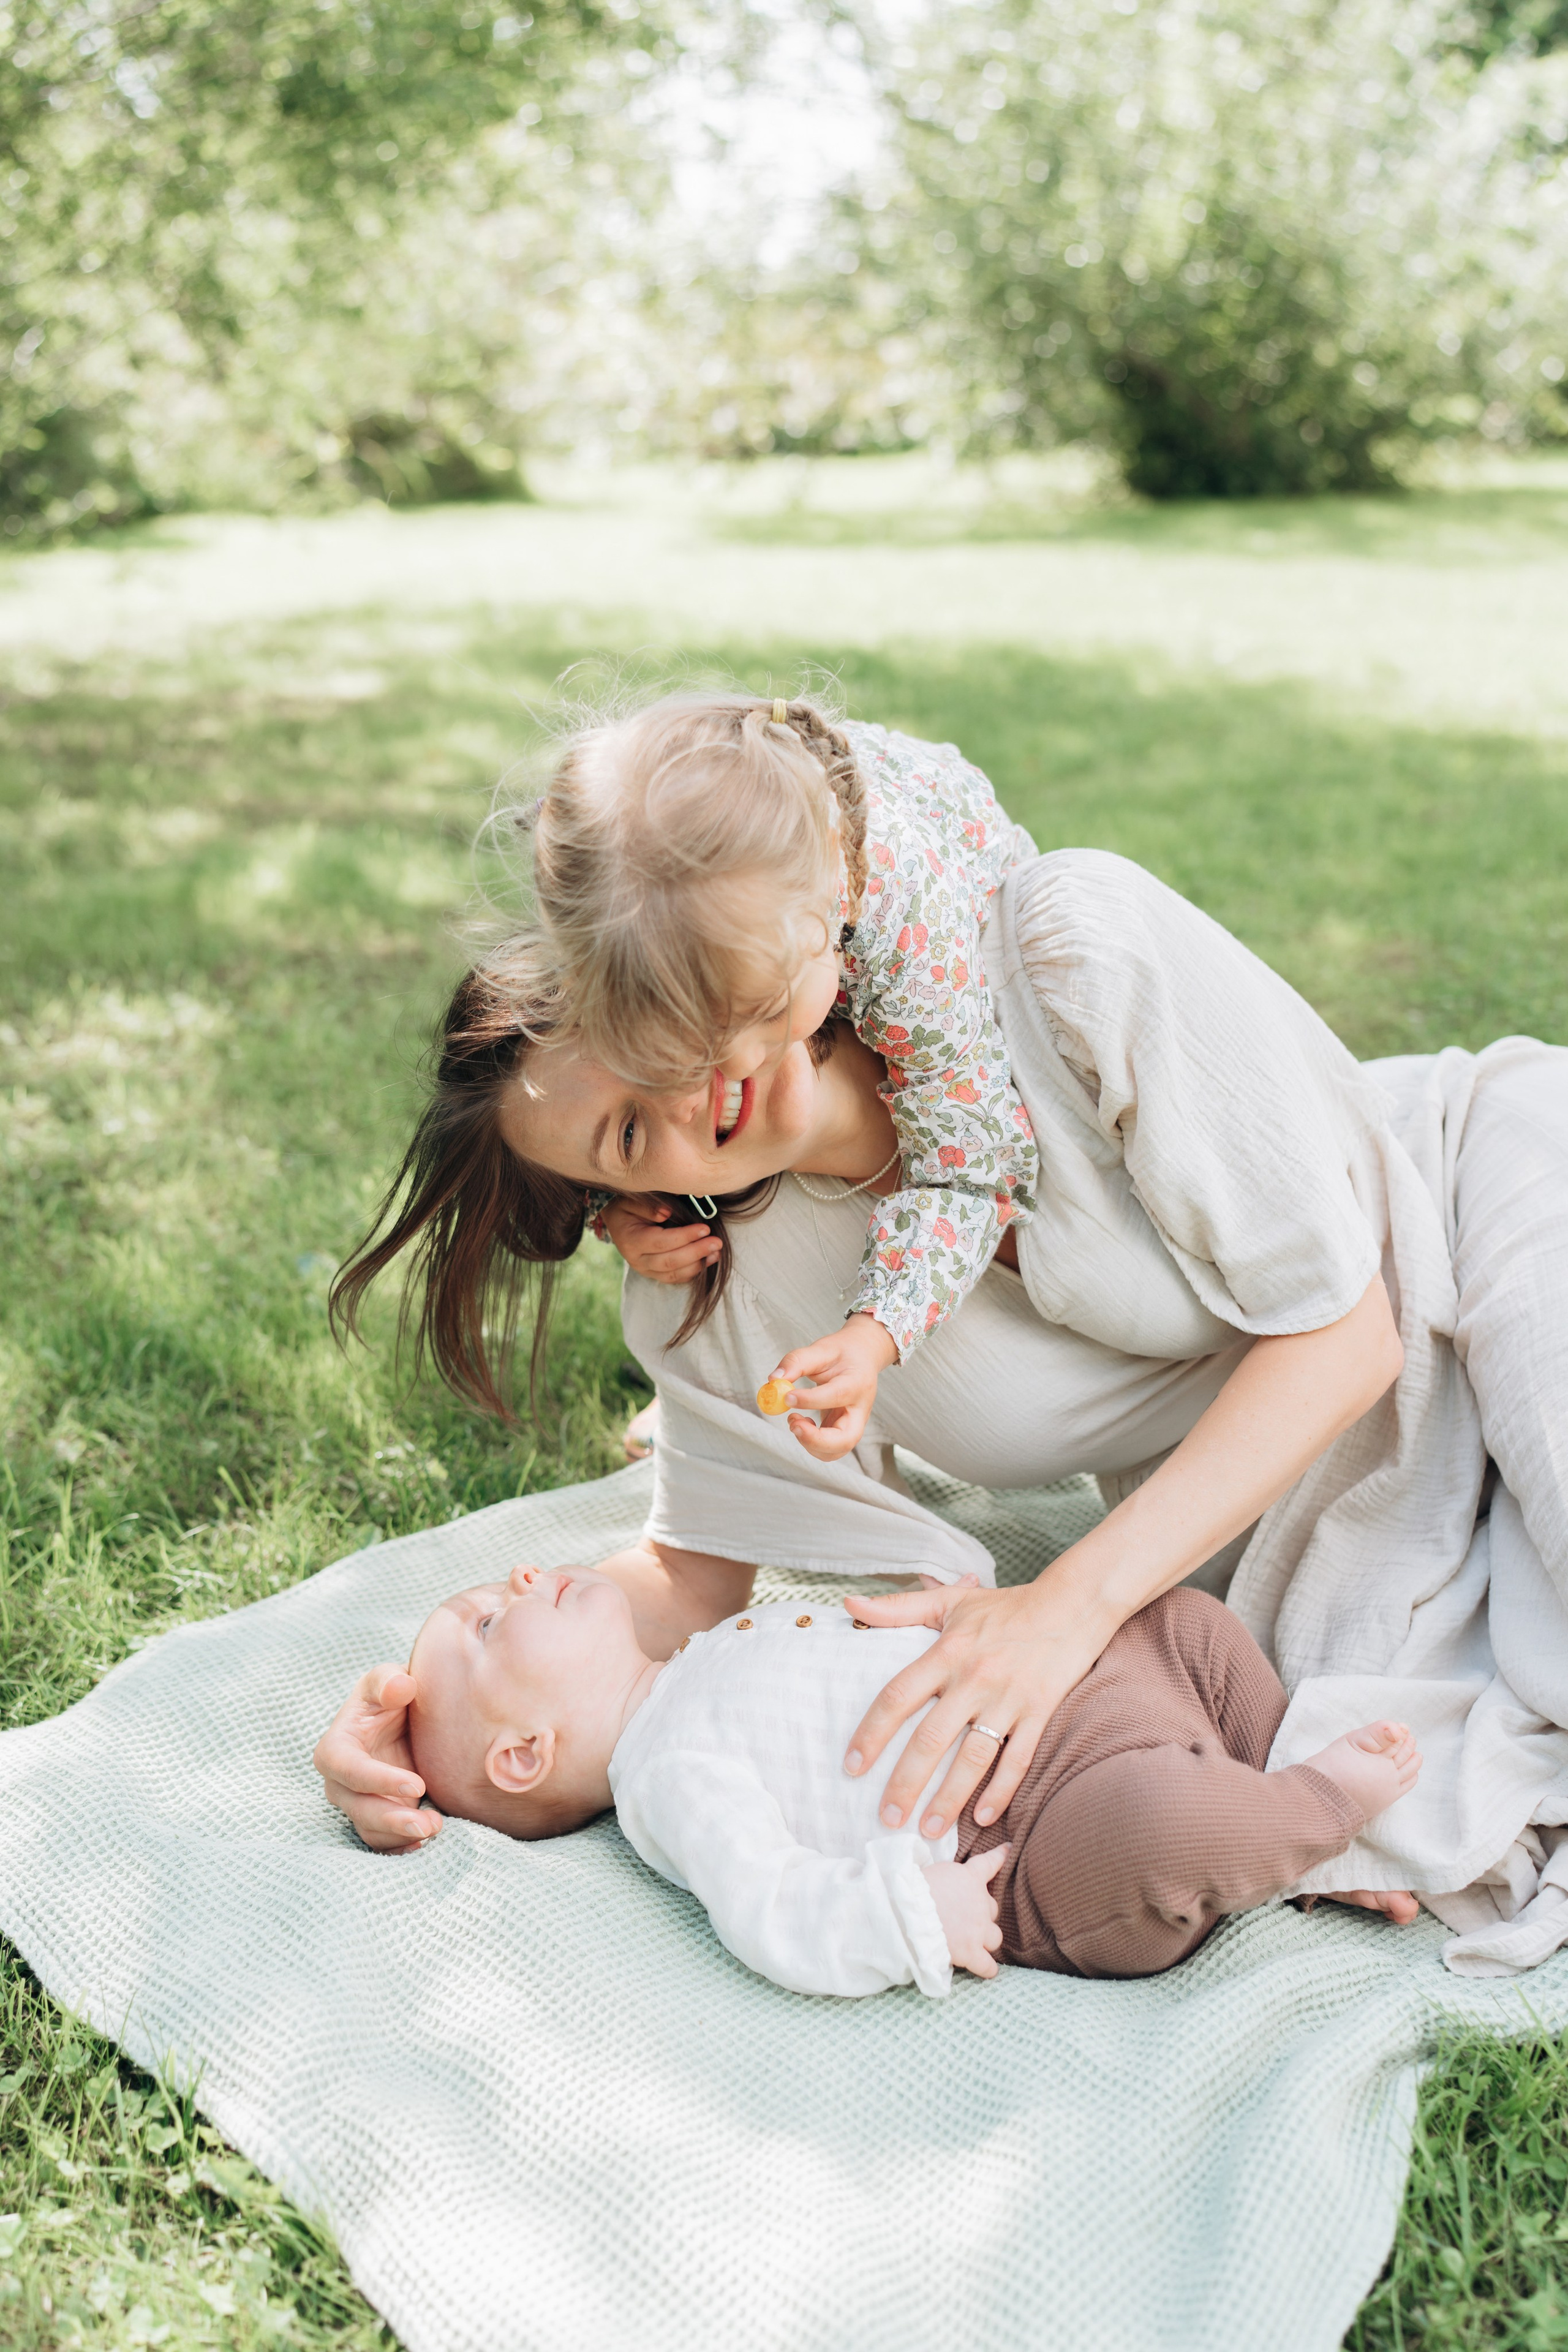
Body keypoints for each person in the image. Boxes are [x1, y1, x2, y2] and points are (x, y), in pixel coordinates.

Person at [320, 766, 1568, 1971]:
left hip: (1471, 1207)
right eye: (626, 1129)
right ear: (622, 1198)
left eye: (651, 1028)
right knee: (1375, 1795)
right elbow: (678, 1593)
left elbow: (1345, 1333)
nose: (694, 1085)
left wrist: (1063, 1608)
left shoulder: (1057, 953)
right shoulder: (735, 1296)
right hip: (1300, 1511)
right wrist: (431, 1728)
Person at [402, 1559, 1422, 1994]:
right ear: (523, 1754)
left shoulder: (700, 1658)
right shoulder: (666, 1773)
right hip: (1037, 1831)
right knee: (1166, 1827)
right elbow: (767, 1903)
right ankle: (1316, 1813)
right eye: (494, 1618)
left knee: (1187, 1628)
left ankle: (1287, 1814)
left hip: (1060, 1696)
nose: (526, 1577)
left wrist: (958, 1609)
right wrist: (909, 1914)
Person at [526, 692, 1039, 1459]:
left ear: (828, 887)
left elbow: (970, 1171)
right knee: (739, 1150)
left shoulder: (911, 940)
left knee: (888, 1134)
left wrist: (874, 1335)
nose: (734, 1063)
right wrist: (617, 1197)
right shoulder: (636, 911)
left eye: (762, 1014)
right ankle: (724, 1378)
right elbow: (577, 1095)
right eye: (694, 1040)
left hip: (981, 972)